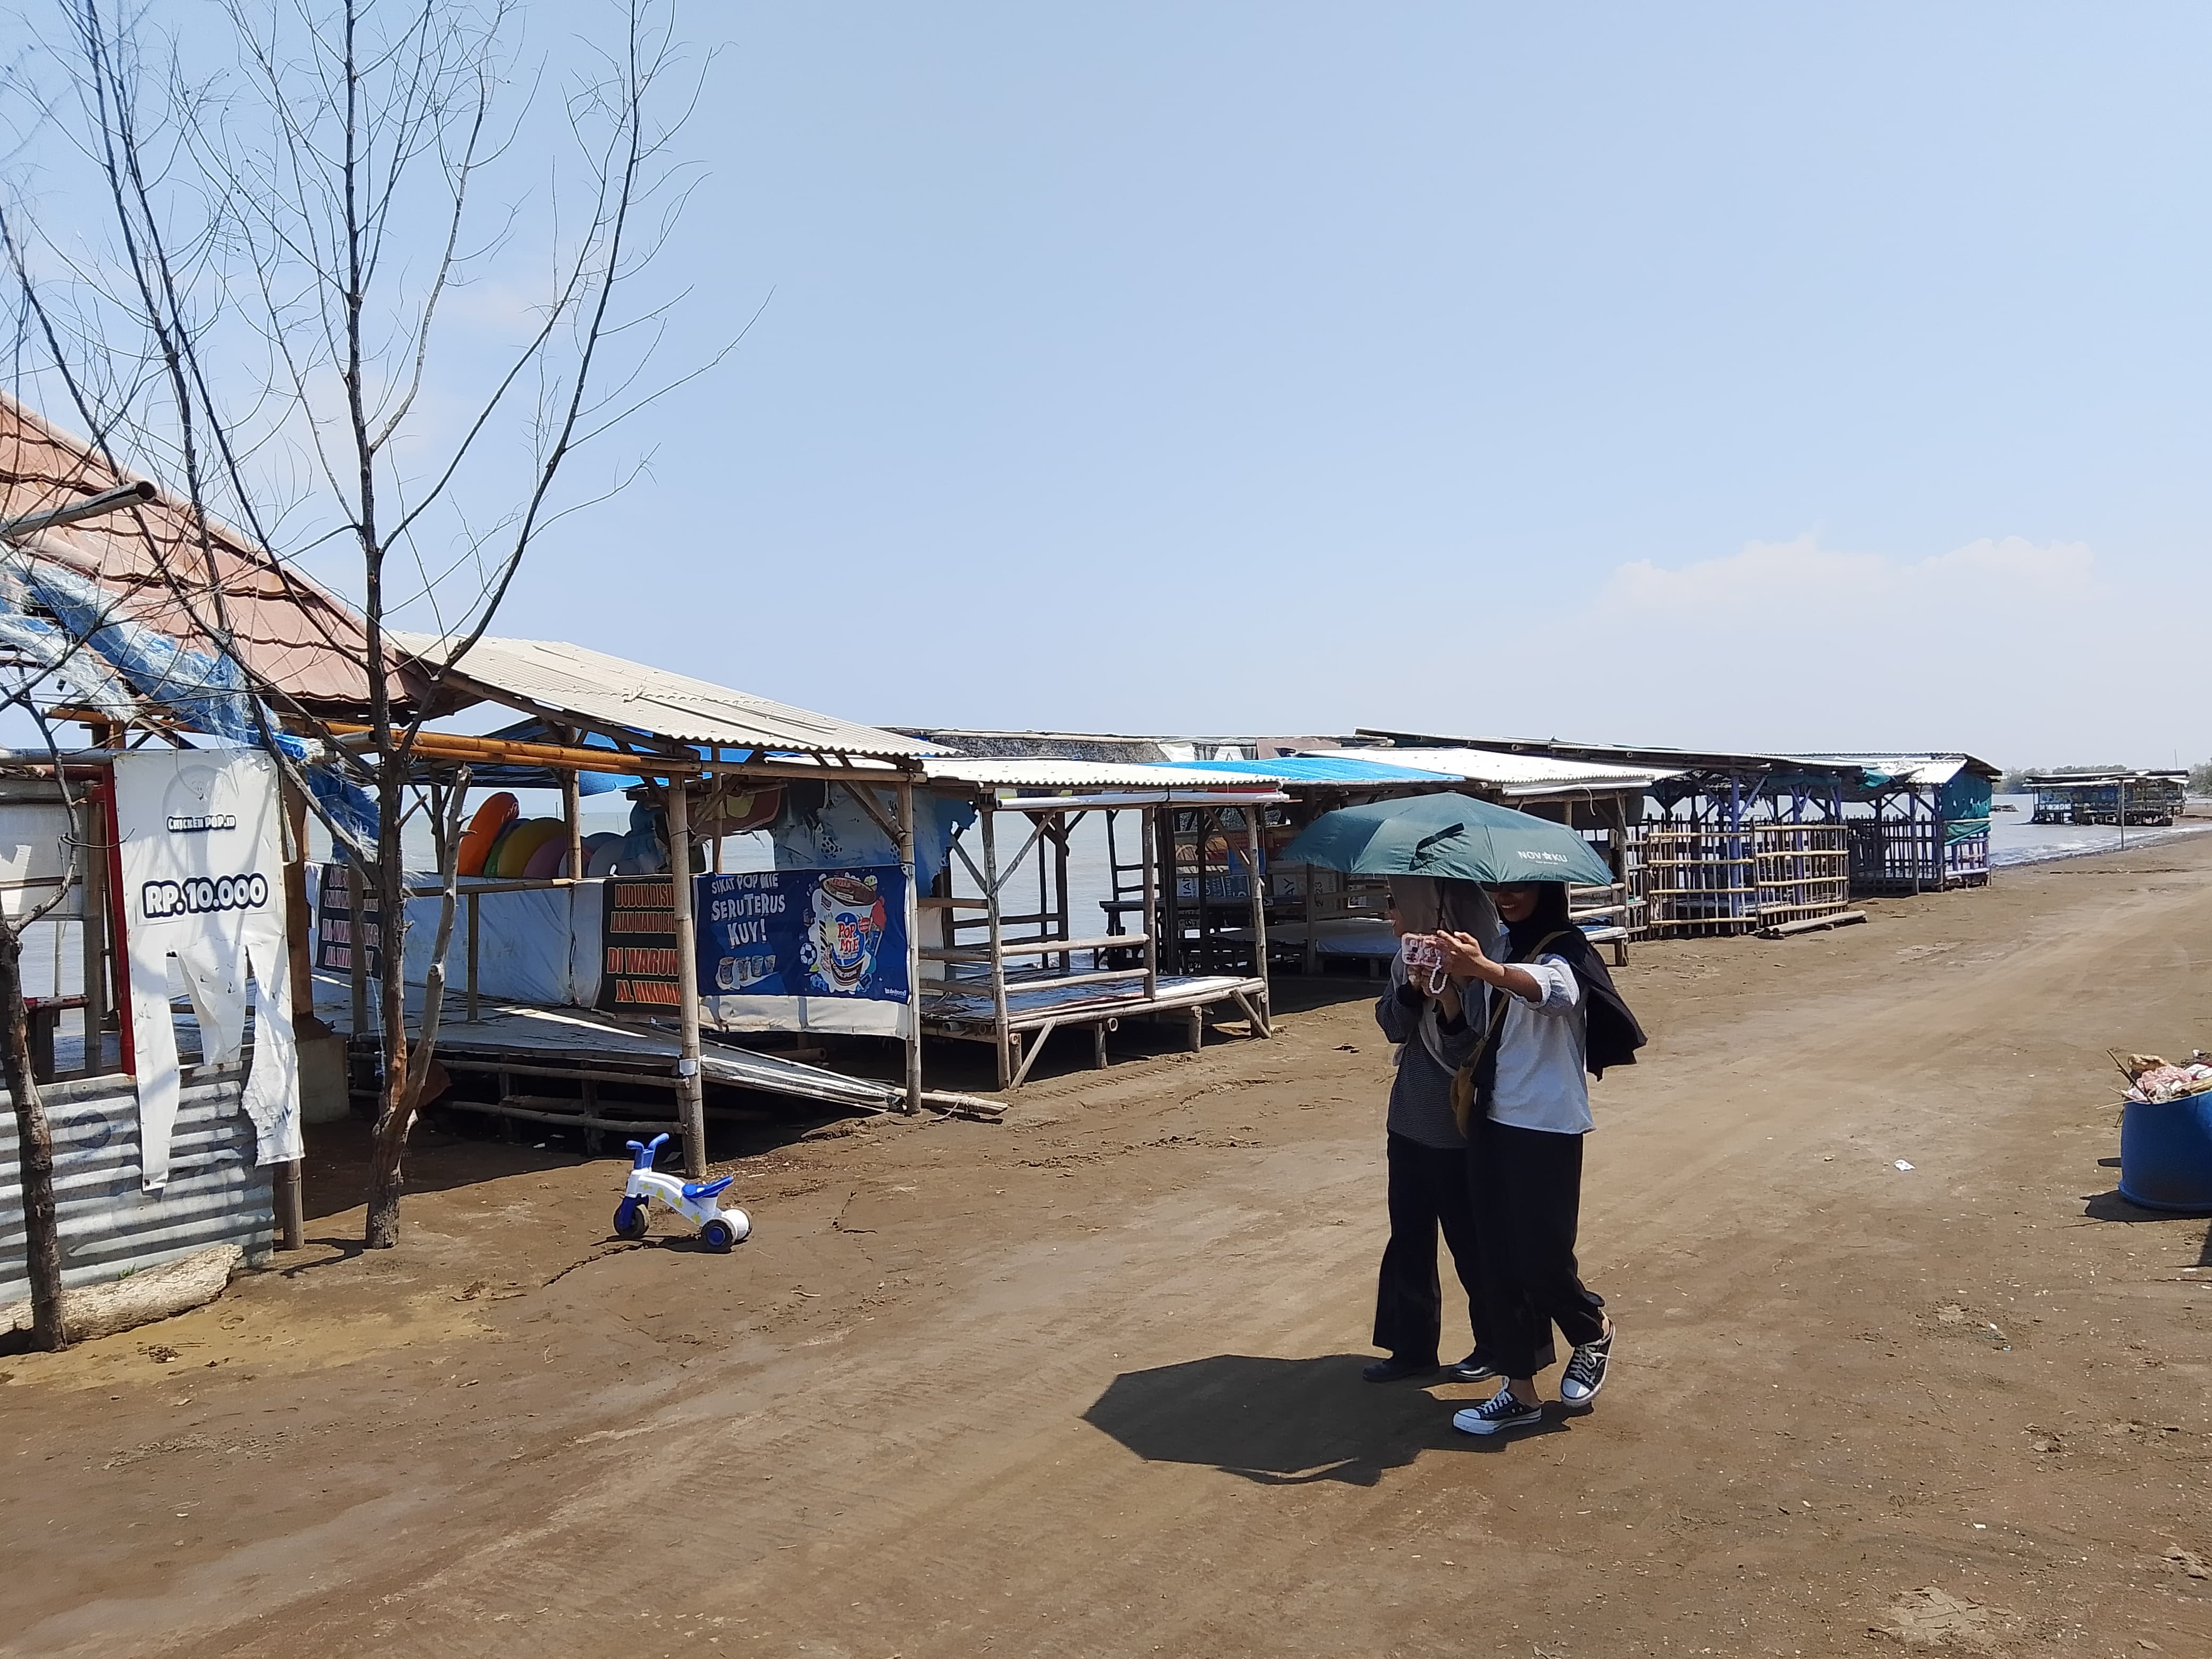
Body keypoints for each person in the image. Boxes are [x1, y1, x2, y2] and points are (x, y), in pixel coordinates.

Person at [1432, 881, 1645, 1434]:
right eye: (1498, 889)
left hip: (1546, 1121)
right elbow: (1483, 1032)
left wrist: (1486, 970)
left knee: (1542, 1257)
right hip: (1491, 1113)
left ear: (1547, 891)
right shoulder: (1500, 947)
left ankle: (1591, 1330)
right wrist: (1448, 985)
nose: (1506, 898)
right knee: (1496, 1259)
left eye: (1520, 889)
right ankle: (1519, 1390)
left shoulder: (1566, 948)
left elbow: (1551, 993)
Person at [1363, 877, 1498, 1384]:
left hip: (1458, 1127)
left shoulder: (1482, 967)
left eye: (1396, 904)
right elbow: (1392, 1026)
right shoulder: (1406, 959)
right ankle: (1411, 1347)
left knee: (1473, 1241)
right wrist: (1413, 989)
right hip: (1408, 1122)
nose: (1390, 916)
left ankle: (1496, 1344)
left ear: (1430, 908)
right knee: (1409, 1238)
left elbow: (1473, 1053)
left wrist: (1451, 1000)